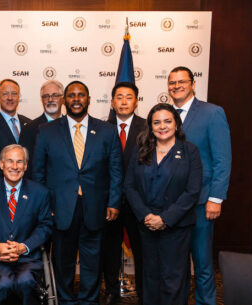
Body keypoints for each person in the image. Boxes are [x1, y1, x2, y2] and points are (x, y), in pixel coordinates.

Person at [33, 81, 123, 305]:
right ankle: (65, 300)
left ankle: (89, 300)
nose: (76, 99)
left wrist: (114, 202)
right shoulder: (47, 131)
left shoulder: (107, 131)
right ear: (65, 100)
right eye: (71, 95)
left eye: (80, 95)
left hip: (95, 206)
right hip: (60, 207)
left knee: (92, 260)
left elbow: (116, 170)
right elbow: (38, 173)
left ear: (89, 99)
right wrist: (45, 208)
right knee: (62, 260)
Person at [124, 103, 202, 305]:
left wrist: (165, 219)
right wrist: (145, 216)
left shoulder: (189, 151)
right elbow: (130, 186)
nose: (162, 126)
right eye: (156, 122)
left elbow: (192, 191)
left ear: (176, 123)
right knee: (150, 278)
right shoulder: (141, 150)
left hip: (176, 227)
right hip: (147, 225)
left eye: (167, 121)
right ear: (150, 126)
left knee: (172, 279)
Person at [167, 66, 232, 305]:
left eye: (181, 81)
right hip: (173, 204)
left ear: (193, 84)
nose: (176, 86)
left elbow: (222, 159)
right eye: (172, 82)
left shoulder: (212, 113)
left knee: (203, 263)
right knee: (178, 263)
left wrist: (216, 198)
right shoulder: (165, 116)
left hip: (202, 202)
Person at [0, 144, 53, 305]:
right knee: (3, 283)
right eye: (10, 161)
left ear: (26, 165)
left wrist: (24, 246)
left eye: (19, 162)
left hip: (28, 258)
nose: (15, 167)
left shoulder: (40, 193)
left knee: (25, 282)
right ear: (1, 164)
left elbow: (46, 225)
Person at [101, 82, 146, 304]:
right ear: (112, 102)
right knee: (109, 250)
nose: (124, 101)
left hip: (139, 203)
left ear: (136, 101)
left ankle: (144, 292)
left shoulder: (149, 127)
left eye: (129, 97)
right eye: (119, 97)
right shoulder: (101, 128)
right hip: (110, 201)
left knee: (142, 250)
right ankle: (111, 290)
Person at [19, 79, 64, 170]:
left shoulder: (73, 126)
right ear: (41, 100)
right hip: (39, 183)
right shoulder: (29, 129)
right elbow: (25, 166)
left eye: (55, 95)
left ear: (63, 99)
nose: (50, 99)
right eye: (46, 96)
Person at [0, 79, 32, 151]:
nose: (10, 98)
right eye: (5, 94)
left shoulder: (30, 123)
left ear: (18, 97)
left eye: (14, 93)